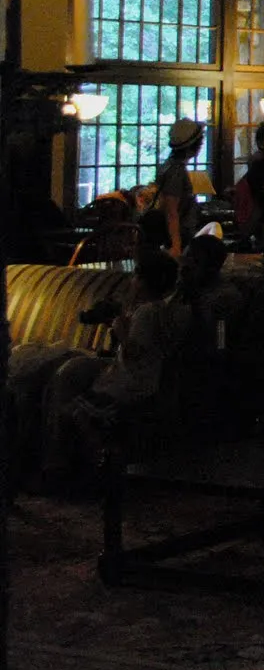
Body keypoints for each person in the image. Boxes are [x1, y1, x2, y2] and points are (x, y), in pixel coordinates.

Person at [40, 248, 194, 489]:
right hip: (146, 383)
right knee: (75, 408)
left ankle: (98, 465)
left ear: (143, 282)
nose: (131, 282)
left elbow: (134, 353)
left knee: (71, 412)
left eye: (135, 277)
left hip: (130, 387)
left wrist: (121, 331)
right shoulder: (164, 312)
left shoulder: (146, 313)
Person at [146, 117, 206, 258]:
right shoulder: (176, 171)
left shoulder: (169, 165)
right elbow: (171, 211)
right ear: (192, 145)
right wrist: (176, 246)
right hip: (175, 235)